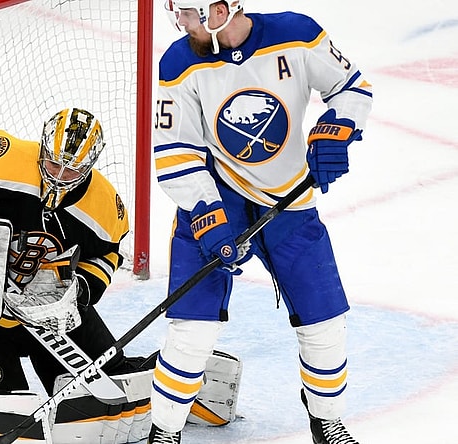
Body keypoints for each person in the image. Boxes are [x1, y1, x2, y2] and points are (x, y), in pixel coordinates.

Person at [150, 1, 373, 444]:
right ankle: (165, 431)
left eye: (191, 14)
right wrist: (207, 218)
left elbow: (351, 87)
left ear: (224, 7)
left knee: (323, 319)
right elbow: (176, 151)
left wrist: (337, 128)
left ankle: (326, 418)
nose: (181, 23)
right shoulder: (179, 61)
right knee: (192, 328)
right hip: (216, 195)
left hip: (289, 199)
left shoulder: (297, 34)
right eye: (179, 13)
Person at [0, 107, 154, 443]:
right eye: (54, 163)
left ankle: (173, 378)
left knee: (106, 388)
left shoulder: (104, 206)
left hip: (53, 317)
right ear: (42, 147)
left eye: (72, 171)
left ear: (90, 165)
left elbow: (106, 255)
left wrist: (78, 291)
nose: (60, 175)